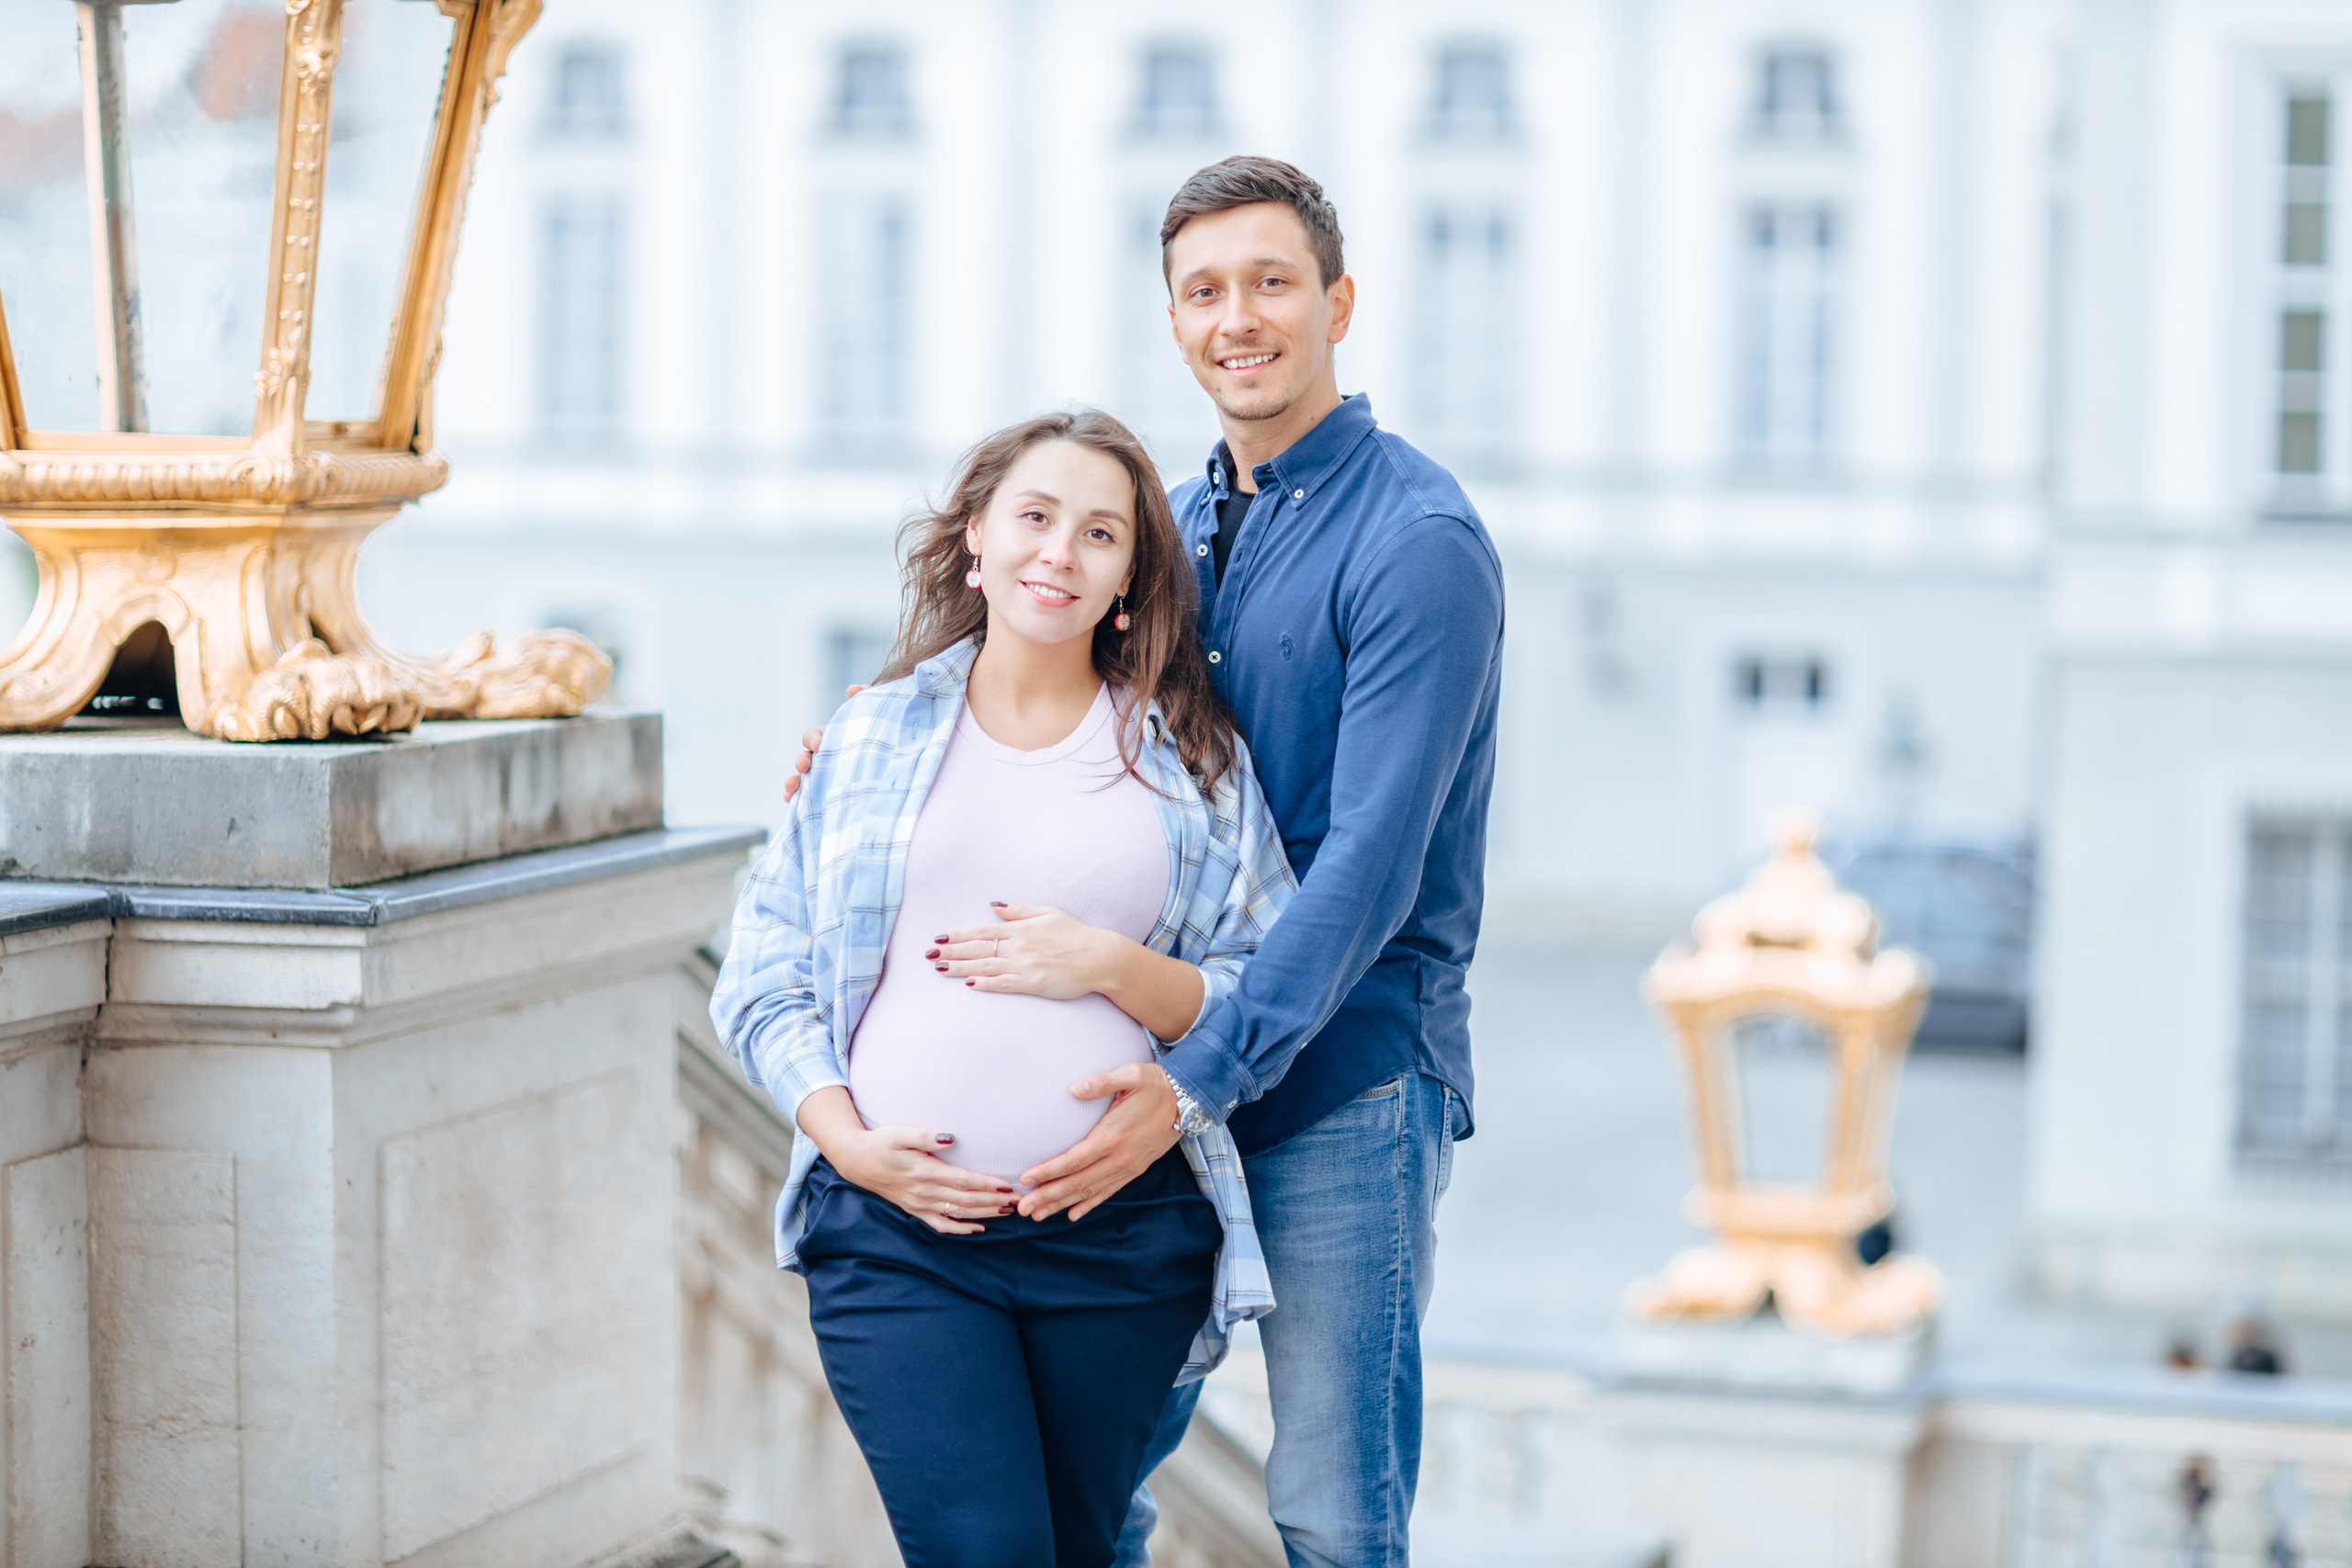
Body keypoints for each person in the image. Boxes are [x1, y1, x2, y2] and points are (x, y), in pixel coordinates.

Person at [789, 157, 1507, 1567]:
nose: (1238, 317)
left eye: (1271, 282)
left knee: (1331, 1508)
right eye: (1203, 290)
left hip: (1342, 1082)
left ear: (1338, 303)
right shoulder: (1166, 526)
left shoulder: (1420, 544)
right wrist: (865, 748)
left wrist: (1192, 1081)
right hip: (1157, 1080)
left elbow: (1369, 868)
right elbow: (1035, 698)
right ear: (1175, 321)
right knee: (1096, 1500)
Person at [713, 410, 1295, 1567]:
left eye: (1099, 534)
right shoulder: (869, 736)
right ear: (976, 535)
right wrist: (847, 1143)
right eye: (1035, 516)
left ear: (1128, 578)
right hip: (901, 1237)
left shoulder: (1193, 758)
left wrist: (1110, 965)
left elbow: (1265, 985)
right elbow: (763, 971)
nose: (1058, 553)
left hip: (1122, 1243)